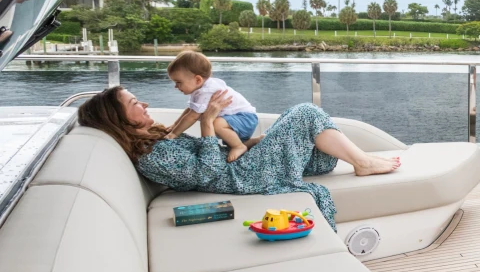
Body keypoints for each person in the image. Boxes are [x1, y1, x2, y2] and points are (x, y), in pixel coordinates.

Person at [77, 86, 400, 229]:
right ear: (118, 118)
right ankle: (363, 163)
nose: (144, 104)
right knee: (305, 112)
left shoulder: (154, 140)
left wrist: (257, 142)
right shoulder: (150, 157)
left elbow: (210, 156)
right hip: (242, 177)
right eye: (135, 103)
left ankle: (360, 160)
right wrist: (207, 122)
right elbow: (206, 173)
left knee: (318, 149)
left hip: (239, 164)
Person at [165, 51, 259, 162]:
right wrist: (175, 125)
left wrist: (174, 134)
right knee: (217, 124)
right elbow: (190, 111)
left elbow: (192, 117)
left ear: (198, 80)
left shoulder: (206, 91)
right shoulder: (201, 88)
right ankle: (251, 142)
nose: (176, 86)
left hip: (245, 118)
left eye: (178, 82)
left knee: (217, 124)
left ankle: (238, 146)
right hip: (240, 119)